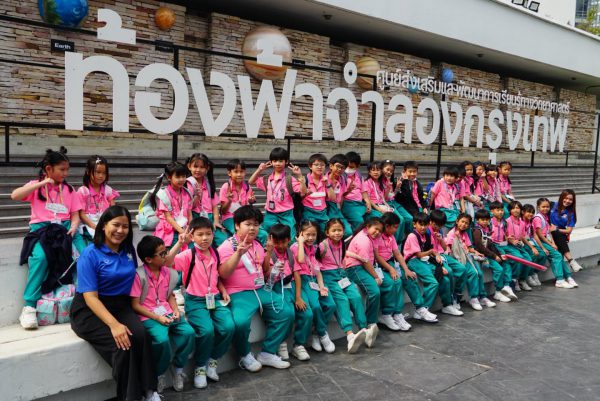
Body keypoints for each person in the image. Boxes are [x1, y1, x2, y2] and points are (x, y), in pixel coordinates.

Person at [70, 206, 159, 401]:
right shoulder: (90, 254)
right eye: (116, 225)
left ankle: (149, 390)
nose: (120, 230)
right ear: (103, 225)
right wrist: (114, 325)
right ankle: (130, 397)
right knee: (123, 345)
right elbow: (90, 297)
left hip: (120, 305)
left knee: (141, 335)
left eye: (125, 226)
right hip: (90, 310)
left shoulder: (128, 250)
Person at [12, 147, 86, 329]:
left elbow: (75, 215)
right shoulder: (35, 186)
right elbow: (15, 195)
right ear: (48, 169)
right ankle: (29, 306)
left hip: (66, 229)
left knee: (86, 256)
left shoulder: (69, 189)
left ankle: (86, 300)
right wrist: (43, 182)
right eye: (62, 169)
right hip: (42, 231)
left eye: (67, 169)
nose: (66, 173)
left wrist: (74, 226)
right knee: (40, 258)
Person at [217, 205, 294, 371]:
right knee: (240, 322)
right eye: (248, 224)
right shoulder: (227, 246)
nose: (252, 228)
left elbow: (265, 271)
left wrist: (271, 259)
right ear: (237, 225)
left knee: (286, 312)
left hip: (261, 289)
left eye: (256, 224)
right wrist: (238, 254)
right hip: (238, 293)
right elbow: (223, 273)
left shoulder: (258, 244)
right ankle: (245, 355)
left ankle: (267, 352)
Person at [174, 217, 235, 388]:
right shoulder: (188, 255)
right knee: (207, 331)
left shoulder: (215, 252)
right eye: (200, 234)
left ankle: (212, 360)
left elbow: (216, 276)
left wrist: (222, 289)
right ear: (192, 236)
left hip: (214, 298)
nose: (204, 238)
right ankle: (200, 367)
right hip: (195, 301)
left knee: (228, 327)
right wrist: (179, 244)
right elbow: (167, 263)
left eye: (208, 234)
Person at [131, 235, 194, 393]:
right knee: (161, 341)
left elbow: (169, 295)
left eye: (166, 251)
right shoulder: (139, 276)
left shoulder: (167, 272)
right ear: (148, 259)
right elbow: (135, 305)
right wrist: (157, 318)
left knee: (189, 333)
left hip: (167, 312)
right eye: (162, 254)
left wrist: (175, 310)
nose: (166, 256)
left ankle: (178, 369)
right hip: (149, 315)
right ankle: (158, 373)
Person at [316, 219, 368, 353]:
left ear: (344, 231)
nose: (337, 233)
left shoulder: (342, 244)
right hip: (328, 277)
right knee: (342, 300)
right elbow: (314, 261)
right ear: (327, 232)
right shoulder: (322, 246)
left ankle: (363, 329)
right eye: (334, 230)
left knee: (356, 297)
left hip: (341, 275)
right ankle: (349, 334)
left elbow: (343, 256)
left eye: (339, 230)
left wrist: (357, 257)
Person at [289, 221, 337, 360]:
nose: (310, 238)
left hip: (314, 280)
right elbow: (301, 260)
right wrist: (300, 243)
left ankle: (316, 333)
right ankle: (322, 333)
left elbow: (318, 270)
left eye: (313, 235)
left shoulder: (314, 248)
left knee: (330, 304)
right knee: (315, 307)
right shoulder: (295, 247)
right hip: (302, 280)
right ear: (300, 234)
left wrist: (321, 286)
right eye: (307, 234)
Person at [343, 216, 388, 343]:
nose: (377, 232)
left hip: (363, 267)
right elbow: (365, 262)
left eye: (380, 230)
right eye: (375, 229)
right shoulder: (363, 239)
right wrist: (376, 276)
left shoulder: (371, 237)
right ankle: (371, 322)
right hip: (355, 268)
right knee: (374, 291)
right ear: (367, 227)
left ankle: (372, 321)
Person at [248, 147, 307, 242]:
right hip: (270, 213)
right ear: (271, 162)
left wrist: (299, 176)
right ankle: (268, 250)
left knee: (291, 236)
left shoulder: (290, 179)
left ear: (286, 162)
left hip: (286, 213)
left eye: (280, 161)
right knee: (265, 234)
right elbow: (251, 181)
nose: (278, 163)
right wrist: (259, 170)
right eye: (275, 161)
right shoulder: (267, 179)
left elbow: (303, 192)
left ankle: (290, 250)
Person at [445, 213, 496, 311]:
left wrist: (476, 252)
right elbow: (450, 250)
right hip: (457, 259)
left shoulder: (464, 233)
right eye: (462, 222)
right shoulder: (452, 233)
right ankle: (473, 298)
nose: (464, 224)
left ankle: (482, 297)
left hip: (467, 257)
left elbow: (469, 247)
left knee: (479, 273)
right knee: (473, 273)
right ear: (457, 221)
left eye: (466, 223)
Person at [402, 213, 445, 322]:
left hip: (422, 260)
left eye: (425, 224)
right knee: (433, 283)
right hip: (412, 261)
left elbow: (432, 251)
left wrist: (436, 254)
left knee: (442, 272)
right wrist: (432, 252)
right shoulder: (412, 236)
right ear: (414, 224)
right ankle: (423, 309)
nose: (423, 227)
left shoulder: (426, 234)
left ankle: (422, 310)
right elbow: (419, 254)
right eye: (420, 224)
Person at [374, 212, 413, 331]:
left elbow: (397, 254)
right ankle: (386, 314)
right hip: (378, 266)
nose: (396, 230)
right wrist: (391, 269)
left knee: (399, 281)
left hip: (389, 263)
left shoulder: (391, 237)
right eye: (395, 227)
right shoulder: (377, 236)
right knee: (390, 283)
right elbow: (377, 256)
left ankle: (397, 313)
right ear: (386, 226)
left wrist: (406, 269)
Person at [425, 210, 464, 316]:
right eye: (436, 225)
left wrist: (441, 239)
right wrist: (439, 262)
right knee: (449, 272)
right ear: (431, 222)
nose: (438, 227)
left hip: (442, 255)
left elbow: (445, 248)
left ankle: (456, 295)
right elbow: (427, 252)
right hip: (433, 257)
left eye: (441, 226)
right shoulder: (426, 231)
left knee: (462, 269)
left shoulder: (439, 230)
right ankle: (448, 303)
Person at [534, 198, 578, 289]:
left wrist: (553, 243)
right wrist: (551, 245)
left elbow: (549, 232)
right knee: (557, 255)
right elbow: (540, 235)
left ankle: (568, 277)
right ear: (538, 207)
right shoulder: (538, 218)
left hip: (547, 240)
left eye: (547, 207)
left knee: (559, 255)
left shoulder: (546, 217)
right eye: (543, 207)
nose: (546, 208)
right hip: (541, 241)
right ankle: (560, 280)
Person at [471, 209, 514, 303]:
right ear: (477, 220)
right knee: (499, 269)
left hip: (488, 254)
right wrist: (494, 256)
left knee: (503, 265)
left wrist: (499, 255)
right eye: (482, 220)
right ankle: (497, 291)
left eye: (487, 220)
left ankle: (502, 288)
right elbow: (480, 246)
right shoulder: (477, 231)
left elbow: (491, 245)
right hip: (481, 256)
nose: (485, 222)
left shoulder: (486, 229)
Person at [186, 153, 228, 246]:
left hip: (209, 218)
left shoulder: (208, 184)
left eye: (202, 167)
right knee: (196, 243)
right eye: (195, 166)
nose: (198, 170)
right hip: (195, 218)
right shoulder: (187, 184)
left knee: (222, 240)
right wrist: (197, 197)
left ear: (207, 168)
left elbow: (214, 205)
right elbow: (189, 207)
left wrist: (216, 221)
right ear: (189, 166)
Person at [77, 155, 120, 246]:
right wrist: (94, 226)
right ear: (88, 171)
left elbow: (113, 208)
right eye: (98, 172)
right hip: (89, 223)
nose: (101, 176)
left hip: (105, 222)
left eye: (104, 173)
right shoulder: (83, 191)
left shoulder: (107, 190)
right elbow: (81, 214)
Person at [151, 162, 193, 251]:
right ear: (169, 177)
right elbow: (168, 218)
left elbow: (189, 214)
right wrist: (182, 232)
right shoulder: (164, 195)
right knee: (175, 252)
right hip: (169, 230)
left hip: (184, 228)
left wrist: (191, 229)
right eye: (178, 177)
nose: (181, 179)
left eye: (183, 176)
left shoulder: (187, 193)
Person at [219, 158, 256, 237]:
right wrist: (229, 201)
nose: (239, 174)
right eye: (236, 172)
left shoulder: (247, 187)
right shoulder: (226, 187)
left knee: (262, 233)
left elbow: (248, 206)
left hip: (245, 217)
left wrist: (251, 201)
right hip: (229, 218)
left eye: (241, 171)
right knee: (240, 232)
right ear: (229, 173)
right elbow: (223, 211)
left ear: (245, 172)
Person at [550, 189, 583, 272]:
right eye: (566, 198)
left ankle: (563, 276)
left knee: (558, 236)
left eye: (570, 199)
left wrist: (556, 229)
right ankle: (571, 261)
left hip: (559, 235)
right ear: (561, 197)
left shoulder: (571, 213)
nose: (568, 201)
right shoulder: (552, 205)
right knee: (559, 253)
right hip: (547, 232)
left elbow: (568, 231)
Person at [301, 154, 335, 234]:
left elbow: (332, 198)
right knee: (311, 233)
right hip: (309, 212)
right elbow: (300, 195)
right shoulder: (304, 180)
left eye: (322, 165)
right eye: (316, 165)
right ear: (310, 166)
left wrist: (327, 184)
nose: (319, 167)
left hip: (323, 213)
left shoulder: (326, 180)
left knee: (325, 233)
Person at [505, 201, 534, 291]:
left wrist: (529, 246)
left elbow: (522, 236)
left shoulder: (522, 222)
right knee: (519, 259)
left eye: (517, 208)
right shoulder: (506, 221)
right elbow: (504, 235)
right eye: (513, 208)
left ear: (521, 210)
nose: (515, 210)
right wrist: (511, 240)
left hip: (519, 246)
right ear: (509, 210)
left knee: (528, 259)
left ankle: (522, 280)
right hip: (509, 246)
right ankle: (515, 279)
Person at [382, 160, 412, 241]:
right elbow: (384, 198)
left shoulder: (389, 180)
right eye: (387, 169)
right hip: (387, 203)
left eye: (391, 171)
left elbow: (392, 195)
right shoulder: (380, 181)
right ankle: (397, 242)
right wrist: (388, 188)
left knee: (409, 218)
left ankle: (410, 240)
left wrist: (397, 188)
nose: (389, 172)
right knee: (400, 220)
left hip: (394, 202)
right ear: (382, 168)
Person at [341, 151, 370, 231]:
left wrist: (368, 203)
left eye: (351, 167)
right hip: (347, 204)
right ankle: (356, 238)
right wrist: (348, 190)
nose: (348, 169)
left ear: (358, 166)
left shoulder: (359, 176)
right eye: (347, 166)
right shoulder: (341, 176)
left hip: (360, 204)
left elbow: (363, 191)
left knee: (376, 217)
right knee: (359, 222)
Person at [326, 154, 353, 238]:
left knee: (348, 232)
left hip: (336, 209)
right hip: (326, 208)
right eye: (337, 166)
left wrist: (348, 191)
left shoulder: (343, 179)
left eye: (342, 168)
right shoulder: (324, 179)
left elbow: (341, 196)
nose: (340, 169)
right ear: (331, 166)